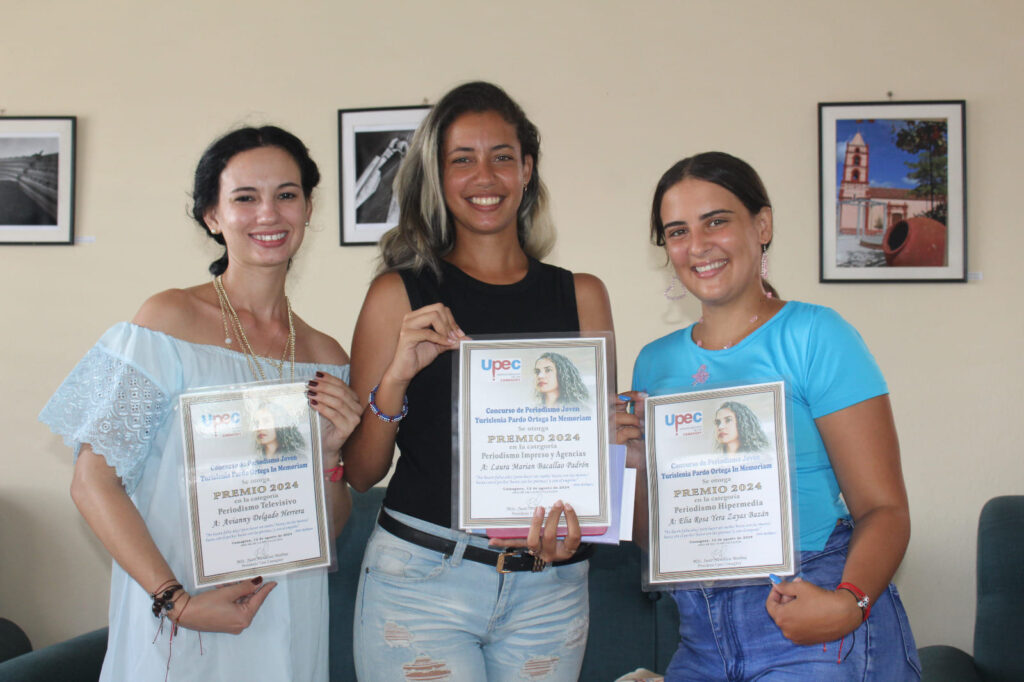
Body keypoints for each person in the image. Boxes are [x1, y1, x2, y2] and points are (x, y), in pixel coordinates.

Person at [39, 126, 362, 681]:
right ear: (212, 216)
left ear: (308, 208)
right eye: (244, 198)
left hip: (288, 611)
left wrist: (331, 458)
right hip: (183, 610)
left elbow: (323, 532)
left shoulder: (325, 354)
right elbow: (92, 482)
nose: (269, 213)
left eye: (286, 194)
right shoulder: (165, 322)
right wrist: (177, 601)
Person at [343, 81, 615, 681]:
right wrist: (395, 379)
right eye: (461, 159)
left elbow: (596, 466)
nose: (484, 176)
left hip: (551, 589)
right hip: (421, 581)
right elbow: (361, 473)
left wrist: (620, 452)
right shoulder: (398, 294)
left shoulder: (583, 297)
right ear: (437, 177)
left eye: (501, 157)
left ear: (527, 170)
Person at [619, 152, 920, 680]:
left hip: (811, 610)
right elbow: (657, 542)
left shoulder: (816, 336)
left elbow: (885, 509)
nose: (698, 245)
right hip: (701, 634)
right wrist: (638, 458)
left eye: (716, 221)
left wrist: (847, 603)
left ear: (762, 225)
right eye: (677, 231)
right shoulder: (655, 362)